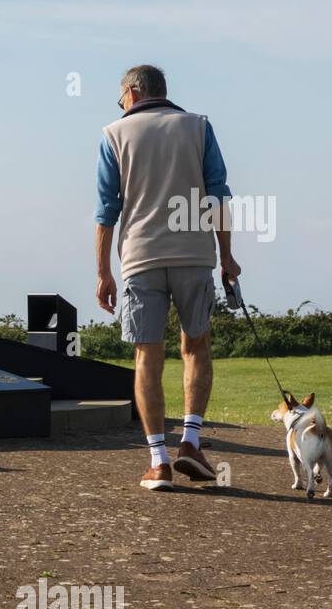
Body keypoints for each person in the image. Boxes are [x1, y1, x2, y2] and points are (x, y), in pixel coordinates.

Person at [94, 64, 241, 490]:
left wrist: (103, 271)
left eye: (120, 98)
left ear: (133, 94)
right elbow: (219, 194)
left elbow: (107, 211)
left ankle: (158, 461)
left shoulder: (113, 135)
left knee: (147, 355)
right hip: (195, 254)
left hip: (140, 258)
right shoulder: (198, 127)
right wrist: (227, 256)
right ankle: (191, 443)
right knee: (195, 347)